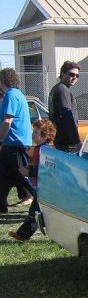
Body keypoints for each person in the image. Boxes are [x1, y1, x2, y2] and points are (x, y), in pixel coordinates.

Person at [9, 119, 55, 241]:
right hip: (42, 186)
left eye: (36, 133)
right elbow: (37, 166)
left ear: (45, 136)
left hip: (46, 186)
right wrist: (29, 168)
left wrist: (29, 172)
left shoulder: (45, 150)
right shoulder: (39, 148)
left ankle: (23, 234)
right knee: (38, 212)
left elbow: (45, 170)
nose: (33, 135)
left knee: (34, 212)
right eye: (33, 132)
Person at [0, 68, 33, 214]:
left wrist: (0, 139)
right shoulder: (18, 94)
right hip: (14, 143)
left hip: (14, 143)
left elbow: (7, 121)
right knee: (4, 175)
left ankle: (40, 199)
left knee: (23, 175)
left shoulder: (11, 95)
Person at [49, 60, 81, 151]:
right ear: (63, 73)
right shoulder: (62, 90)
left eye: (77, 75)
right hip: (66, 142)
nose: (74, 77)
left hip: (61, 140)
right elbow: (67, 115)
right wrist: (76, 141)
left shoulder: (57, 88)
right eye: (71, 74)